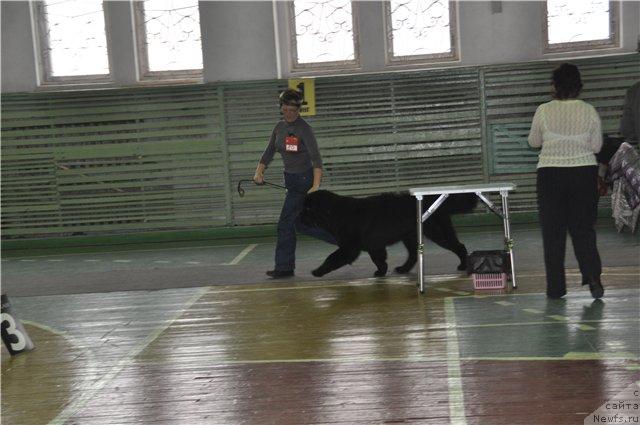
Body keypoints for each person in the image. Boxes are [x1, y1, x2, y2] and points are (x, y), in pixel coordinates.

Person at [528, 63, 604, 299]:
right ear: (578, 86)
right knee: (583, 230)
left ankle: (556, 289)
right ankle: (593, 279)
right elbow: (597, 147)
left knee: (553, 233)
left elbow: (533, 142)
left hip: (551, 174)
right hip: (583, 174)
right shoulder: (589, 110)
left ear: (554, 86)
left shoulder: (543, 110)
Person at [254, 88, 336, 278]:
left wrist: (315, 187)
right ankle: (348, 241)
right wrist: (259, 171)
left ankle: (283, 268)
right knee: (300, 224)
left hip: (304, 180)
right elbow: (268, 152)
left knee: (285, 223)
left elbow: (316, 160)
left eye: (293, 110)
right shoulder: (279, 128)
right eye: (286, 109)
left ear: (299, 109)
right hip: (290, 180)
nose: (289, 114)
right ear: (281, 108)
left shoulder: (304, 129)